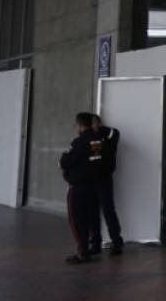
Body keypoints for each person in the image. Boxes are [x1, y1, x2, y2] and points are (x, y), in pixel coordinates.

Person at [59, 112, 104, 264]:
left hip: (78, 187)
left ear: (79, 125)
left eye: (76, 124)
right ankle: (93, 245)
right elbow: (96, 162)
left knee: (77, 220)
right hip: (93, 186)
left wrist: (63, 162)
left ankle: (82, 252)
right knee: (91, 218)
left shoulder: (79, 141)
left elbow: (65, 161)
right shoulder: (96, 141)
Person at [88, 113, 125, 255]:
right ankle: (95, 244)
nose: (93, 126)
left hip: (104, 179)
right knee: (92, 212)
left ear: (99, 123)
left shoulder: (109, 135)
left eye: (95, 123)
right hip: (91, 179)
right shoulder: (89, 138)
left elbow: (115, 133)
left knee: (108, 211)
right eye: (91, 124)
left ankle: (116, 242)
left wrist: (99, 131)